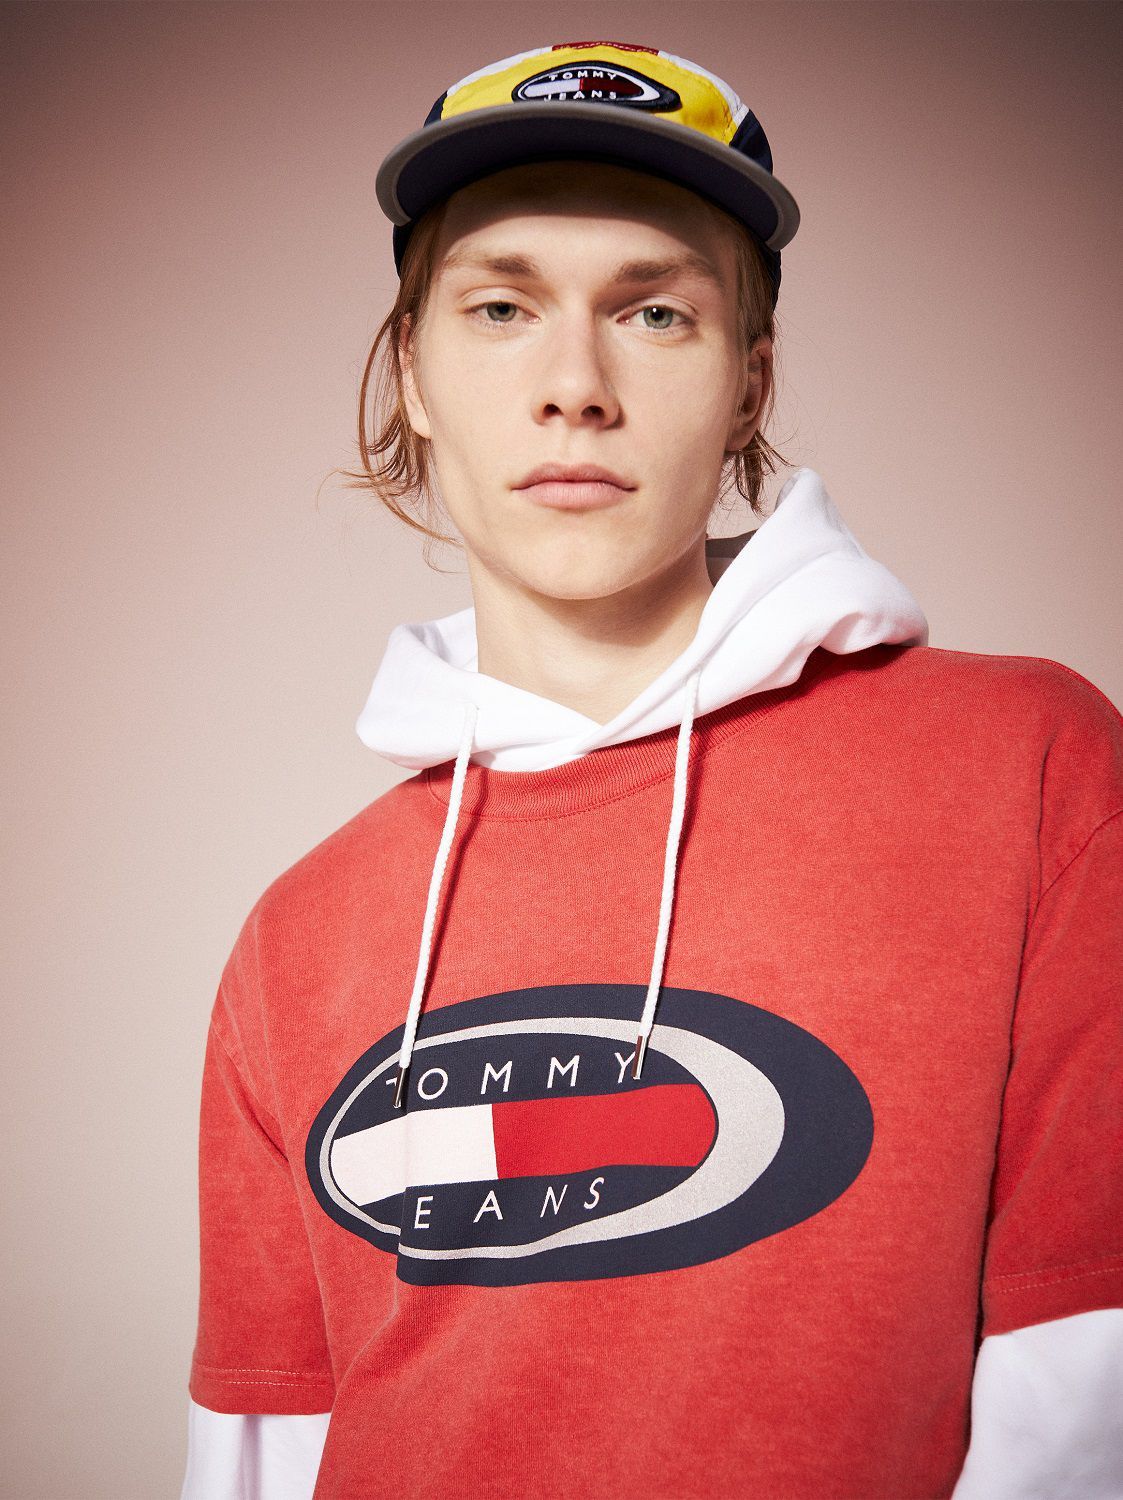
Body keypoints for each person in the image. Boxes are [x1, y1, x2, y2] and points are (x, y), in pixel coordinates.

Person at [181, 40, 1123, 1500]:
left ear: (749, 384)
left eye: (656, 313)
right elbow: (266, 1454)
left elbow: (1091, 1385)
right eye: (501, 308)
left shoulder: (1032, 773)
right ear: (413, 372)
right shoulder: (296, 941)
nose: (575, 387)